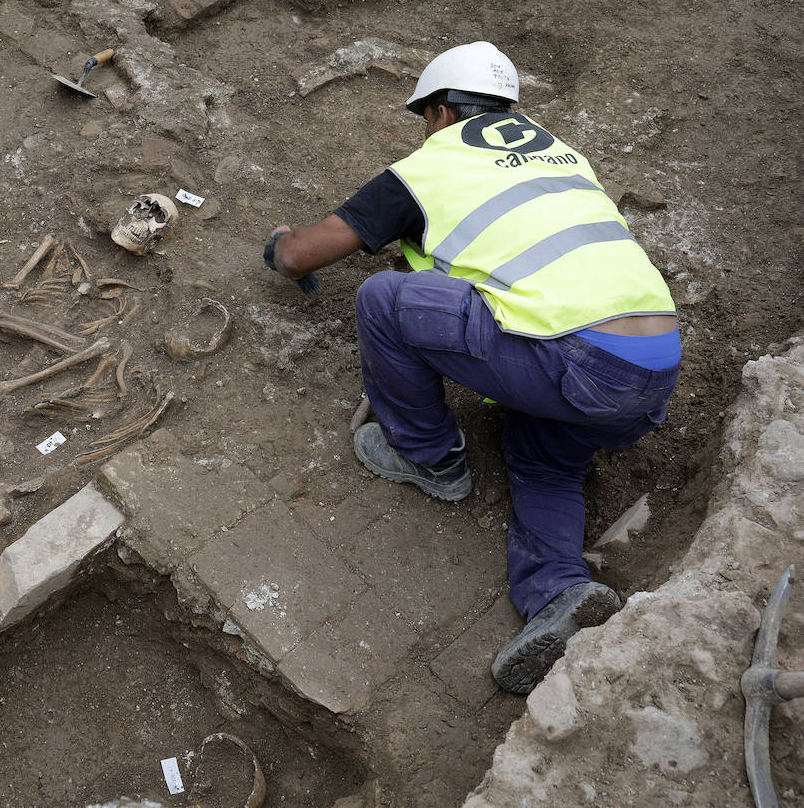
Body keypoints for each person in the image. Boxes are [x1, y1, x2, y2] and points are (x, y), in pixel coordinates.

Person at [262, 41, 679, 695]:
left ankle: (430, 459)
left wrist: (281, 245)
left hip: (577, 360)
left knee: (382, 301)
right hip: (651, 368)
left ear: (441, 112)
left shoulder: (432, 165)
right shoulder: (561, 155)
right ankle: (559, 592)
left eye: (425, 119)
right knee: (541, 457)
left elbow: (301, 259)